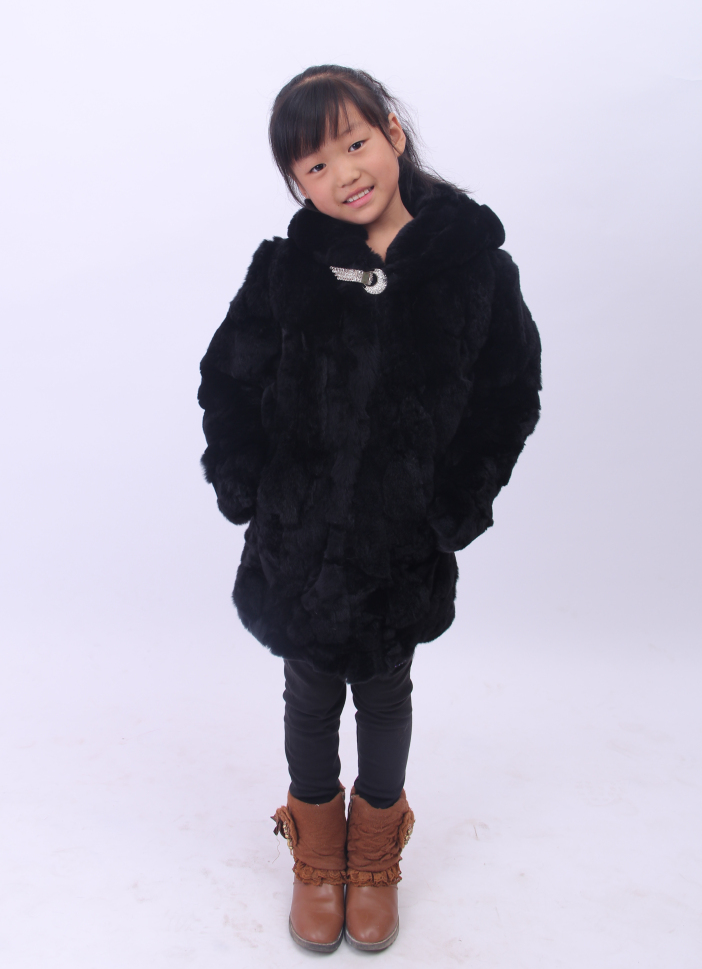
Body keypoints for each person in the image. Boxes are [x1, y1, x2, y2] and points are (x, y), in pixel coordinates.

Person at [198, 65, 541, 953]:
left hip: (401, 543)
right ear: (295, 182)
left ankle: (375, 855)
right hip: (300, 542)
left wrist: (454, 507)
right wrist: (247, 486)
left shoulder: (474, 271)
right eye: (315, 165)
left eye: (355, 144)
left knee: (386, 691)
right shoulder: (288, 271)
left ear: (392, 131)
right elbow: (228, 377)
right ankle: (318, 855)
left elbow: (510, 396)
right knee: (310, 690)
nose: (344, 173)